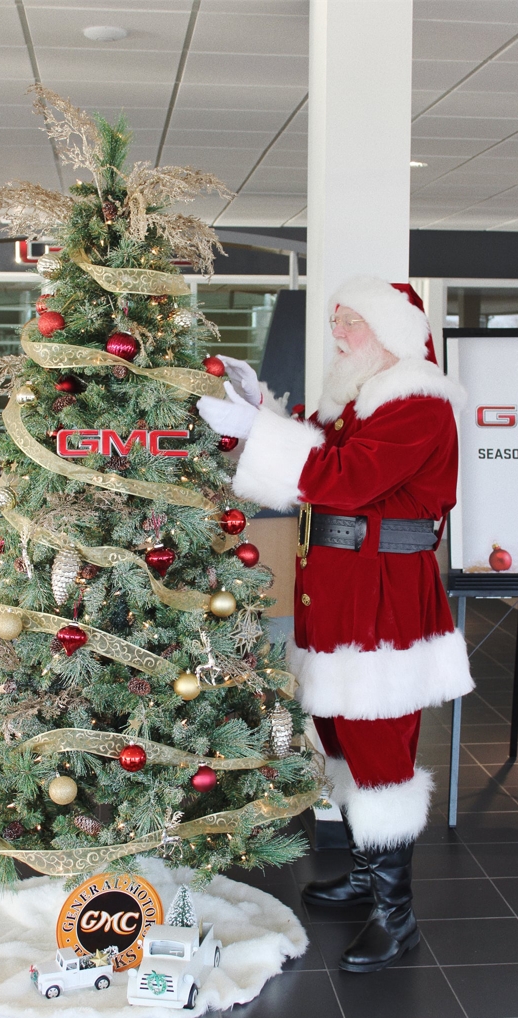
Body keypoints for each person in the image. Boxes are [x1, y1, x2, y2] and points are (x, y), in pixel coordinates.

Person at [197, 277, 474, 973]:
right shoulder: (358, 402)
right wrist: (262, 409)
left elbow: (345, 477)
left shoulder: (418, 401)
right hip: (340, 592)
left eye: (350, 322)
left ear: (391, 333)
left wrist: (262, 433)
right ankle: (362, 872)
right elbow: (316, 450)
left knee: (380, 749)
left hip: (383, 600)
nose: (339, 335)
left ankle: (396, 916)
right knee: (342, 739)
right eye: (337, 323)